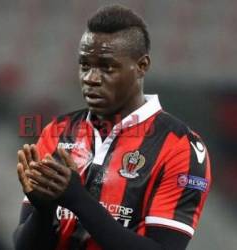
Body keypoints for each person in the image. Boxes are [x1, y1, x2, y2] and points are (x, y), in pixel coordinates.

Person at [13, 5, 211, 250]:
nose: (91, 78)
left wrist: (78, 199)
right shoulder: (57, 131)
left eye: (107, 67)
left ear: (142, 66)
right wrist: (43, 210)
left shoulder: (181, 146)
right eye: (85, 65)